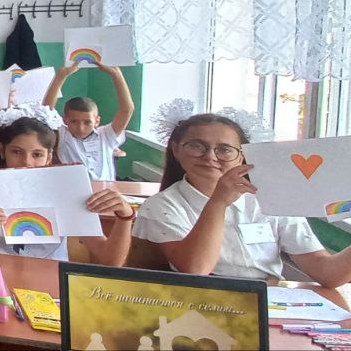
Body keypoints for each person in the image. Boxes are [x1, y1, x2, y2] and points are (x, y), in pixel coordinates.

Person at [0, 108, 134, 351]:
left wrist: (125, 217)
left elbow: (110, 260)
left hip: (52, 292)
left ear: (49, 156)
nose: (26, 162)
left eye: (37, 154)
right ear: (2, 150)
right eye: (17, 152)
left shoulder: (67, 192)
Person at [133, 110, 351, 288]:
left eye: (225, 150)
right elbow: (196, 270)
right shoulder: (162, 206)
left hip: (269, 302)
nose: (210, 156)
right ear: (176, 150)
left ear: (242, 156)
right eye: (197, 146)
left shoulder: (271, 199)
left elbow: (328, 273)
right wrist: (218, 202)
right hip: (203, 303)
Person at [43, 61, 134, 180]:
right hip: (75, 189)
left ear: (97, 121)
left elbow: (127, 110)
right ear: (65, 120)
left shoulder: (106, 135)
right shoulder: (63, 135)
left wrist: (117, 75)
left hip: (106, 189)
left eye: (87, 122)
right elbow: (45, 111)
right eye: (74, 121)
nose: (81, 128)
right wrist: (60, 76)